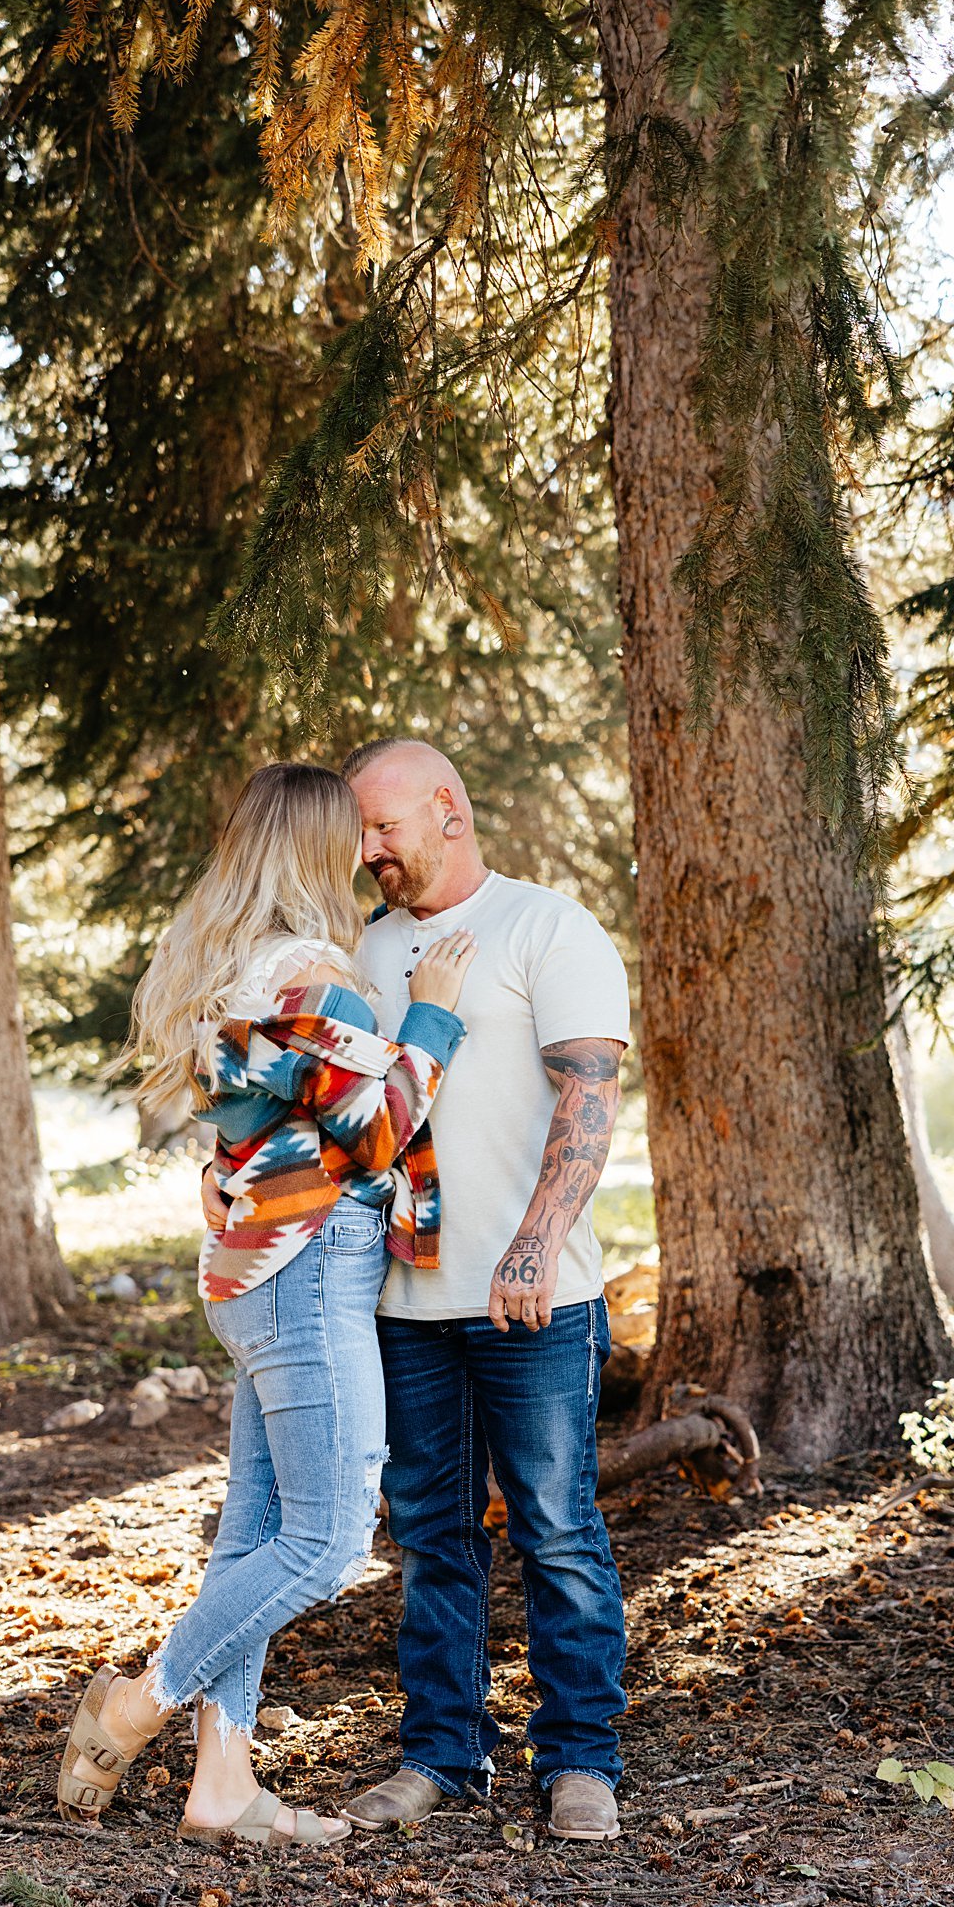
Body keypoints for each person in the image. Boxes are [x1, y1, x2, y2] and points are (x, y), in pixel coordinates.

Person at [58, 762, 475, 1852]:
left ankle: (223, 1786)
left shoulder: (238, 971)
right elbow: (378, 1130)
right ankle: (138, 1703)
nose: (365, 851)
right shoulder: (312, 980)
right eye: (351, 832)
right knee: (332, 1538)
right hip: (302, 1269)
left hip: (258, 1266)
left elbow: (264, 1121)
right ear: (310, 849)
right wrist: (430, 1016)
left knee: (254, 1534)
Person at [222, 739, 631, 1841]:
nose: (367, 852)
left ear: (446, 808)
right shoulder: (357, 949)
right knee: (431, 1535)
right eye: (355, 834)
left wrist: (538, 1241)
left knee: (555, 1525)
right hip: (402, 1303)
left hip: (533, 1296)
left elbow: (588, 1097)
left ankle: (581, 1757)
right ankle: (442, 1754)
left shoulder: (547, 926)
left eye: (383, 828)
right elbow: (345, 1120)